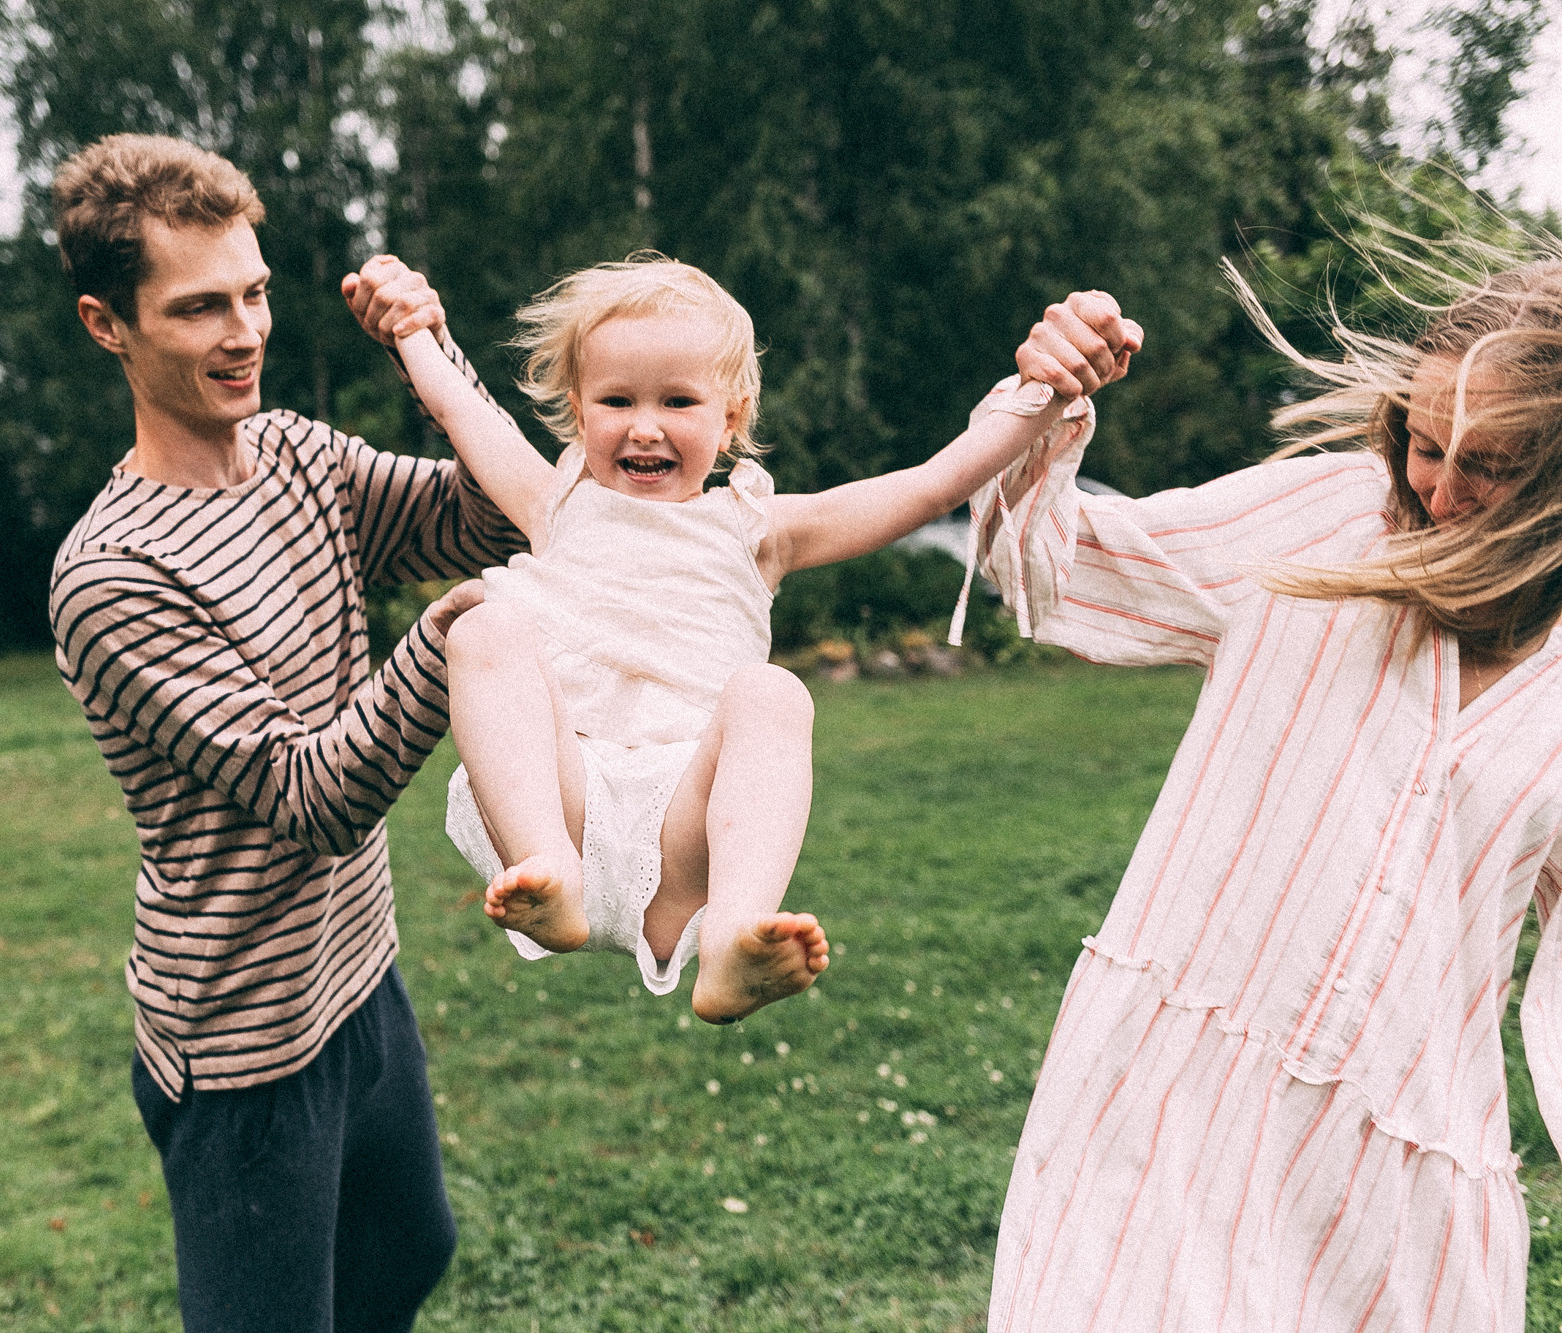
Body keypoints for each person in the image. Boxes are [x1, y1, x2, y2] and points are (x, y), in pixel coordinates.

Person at [975, 253, 1562, 1329]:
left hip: (1402, 1176)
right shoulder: (1327, 519)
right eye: (1420, 444)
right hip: (1172, 1108)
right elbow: (1047, 561)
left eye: (1484, 464)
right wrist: (1042, 405)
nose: (1433, 487)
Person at [391, 255, 1140, 1023]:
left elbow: (930, 485)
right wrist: (408, 324)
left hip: (687, 820)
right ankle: (546, 867)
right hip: (559, 801)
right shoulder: (556, 502)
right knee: (484, 625)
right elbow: (462, 411)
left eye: (678, 400)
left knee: (772, 691)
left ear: (731, 416)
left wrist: (1050, 392)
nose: (645, 424)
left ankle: (731, 940)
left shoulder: (759, 531)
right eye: (617, 400)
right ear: (581, 414)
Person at [46, 133, 524, 1333]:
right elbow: (310, 795)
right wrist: (456, 638)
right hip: (242, 1040)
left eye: (254, 292)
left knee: (406, 1254)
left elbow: (487, 514)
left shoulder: (301, 457)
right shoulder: (112, 575)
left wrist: (429, 349)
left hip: (360, 973)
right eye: (199, 307)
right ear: (108, 324)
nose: (245, 331)